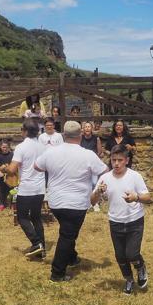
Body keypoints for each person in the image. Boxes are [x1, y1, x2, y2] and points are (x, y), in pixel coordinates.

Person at [35, 121, 109, 282]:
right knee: (67, 235)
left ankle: (72, 258)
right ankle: (57, 272)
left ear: (63, 136)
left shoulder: (51, 152)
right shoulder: (87, 154)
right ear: (80, 135)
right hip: (77, 203)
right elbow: (105, 171)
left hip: (55, 202)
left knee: (68, 231)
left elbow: (37, 166)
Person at [90, 145, 151, 295]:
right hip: (115, 221)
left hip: (135, 221)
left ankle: (140, 267)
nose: (116, 163)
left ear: (127, 160)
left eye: (120, 160)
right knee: (120, 256)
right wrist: (98, 191)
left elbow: (147, 197)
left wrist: (136, 197)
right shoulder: (104, 178)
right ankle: (129, 280)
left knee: (132, 254)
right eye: (113, 160)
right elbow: (92, 201)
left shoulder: (135, 176)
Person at [7, 118, 47, 258]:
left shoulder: (21, 147)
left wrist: (6, 168)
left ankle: (36, 243)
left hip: (27, 188)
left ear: (25, 131)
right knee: (36, 217)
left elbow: (12, 169)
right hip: (40, 188)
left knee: (22, 217)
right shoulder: (43, 146)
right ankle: (41, 249)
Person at [0, 139, 14, 212]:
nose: (5, 149)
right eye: (3, 147)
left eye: (6, 147)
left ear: (9, 147)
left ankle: (12, 204)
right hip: (1, 176)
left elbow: (14, 164)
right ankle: (2, 204)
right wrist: (0, 172)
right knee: (2, 190)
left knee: (12, 190)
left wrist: (9, 168)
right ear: (0, 147)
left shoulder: (12, 155)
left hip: (11, 176)